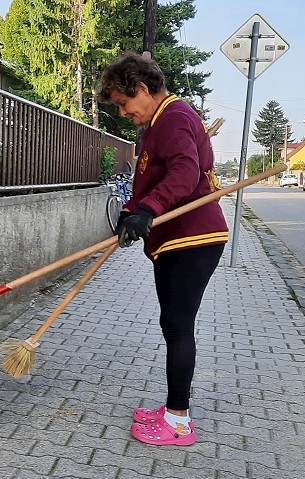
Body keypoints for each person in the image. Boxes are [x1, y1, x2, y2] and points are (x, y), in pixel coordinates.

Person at [99, 52, 228, 446]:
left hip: (193, 238)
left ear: (141, 88)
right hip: (177, 239)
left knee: (177, 325)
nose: (123, 112)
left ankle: (177, 420)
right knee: (172, 324)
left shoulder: (173, 117)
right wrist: (129, 212)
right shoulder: (157, 123)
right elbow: (151, 180)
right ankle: (173, 408)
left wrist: (149, 211)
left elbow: (185, 173)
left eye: (123, 103)